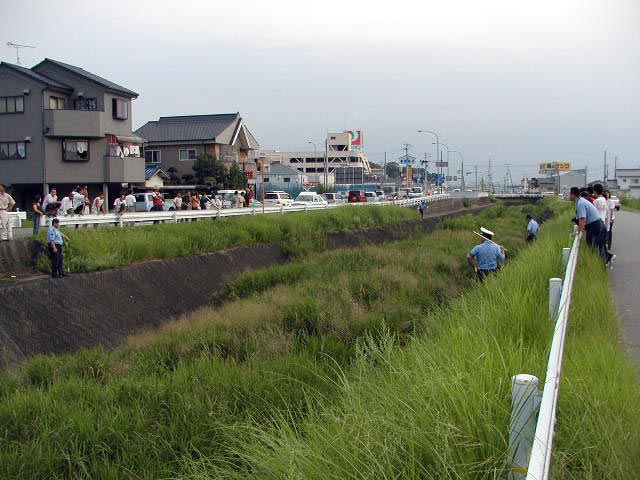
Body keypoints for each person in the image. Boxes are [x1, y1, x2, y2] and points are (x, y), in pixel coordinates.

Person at [569, 186, 614, 264]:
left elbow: (582, 219)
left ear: (573, 195)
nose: (568, 196)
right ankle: (606, 259)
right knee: (596, 244)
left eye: (569, 194)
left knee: (593, 244)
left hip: (595, 225)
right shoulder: (581, 201)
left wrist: (578, 232)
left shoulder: (580, 203)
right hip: (597, 224)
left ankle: (604, 260)